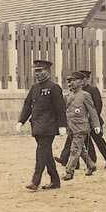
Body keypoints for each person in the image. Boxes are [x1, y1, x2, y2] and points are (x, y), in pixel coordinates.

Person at [16, 59, 67, 191]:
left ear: (48, 71)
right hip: (37, 126)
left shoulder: (54, 88)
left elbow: (60, 108)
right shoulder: (35, 88)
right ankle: (55, 180)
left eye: (40, 71)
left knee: (41, 153)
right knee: (46, 154)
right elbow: (27, 105)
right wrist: (21, 121)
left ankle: (35, 181)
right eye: (36, 71)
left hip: (49, 127)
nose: (37, 74)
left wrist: (62, 126)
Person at [62, 72, 100, 181]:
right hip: (71, 127)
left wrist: (96, 125)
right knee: (81, 149)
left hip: (81, 127)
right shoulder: (68, 96)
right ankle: (91, 165)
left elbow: (92, 111)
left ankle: (69, 171)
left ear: (80, 81)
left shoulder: (85, 95)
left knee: (74, 149)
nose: (70, 83)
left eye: (73, 80)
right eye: (69, 81)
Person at [80, 70, 106, 168]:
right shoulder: (79, 91)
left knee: (99, 141)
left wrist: (94, 119)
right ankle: (92, 161)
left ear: (87, 79)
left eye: (84, 79)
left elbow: (98, 105)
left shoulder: (93, 89)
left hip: (94, 122)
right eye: (80, 79)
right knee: (87, 142)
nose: (82, 81)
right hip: (83, 122)